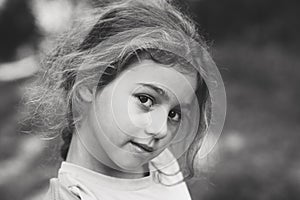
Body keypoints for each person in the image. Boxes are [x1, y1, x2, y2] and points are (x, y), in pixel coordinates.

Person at [24, 0, 221, 199]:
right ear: (89, 83)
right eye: (146, 99)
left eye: (174, 114)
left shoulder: (162, 165)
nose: (160, 130)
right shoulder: (74, 195)